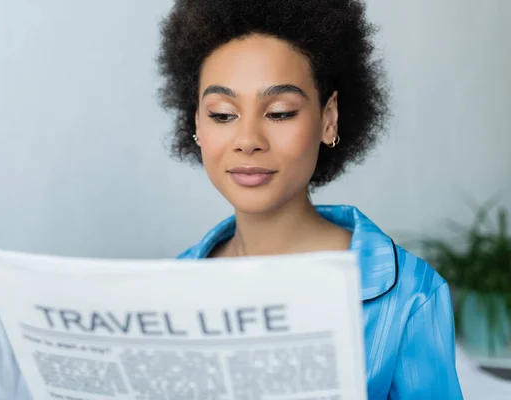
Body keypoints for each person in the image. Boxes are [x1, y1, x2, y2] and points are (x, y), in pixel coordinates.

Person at [156, 0, 464, 398]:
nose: (248, 140)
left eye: (280, 113)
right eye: (222, 114)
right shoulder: (169, 286)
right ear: (196, 122)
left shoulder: (411, 296)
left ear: (328, 117)